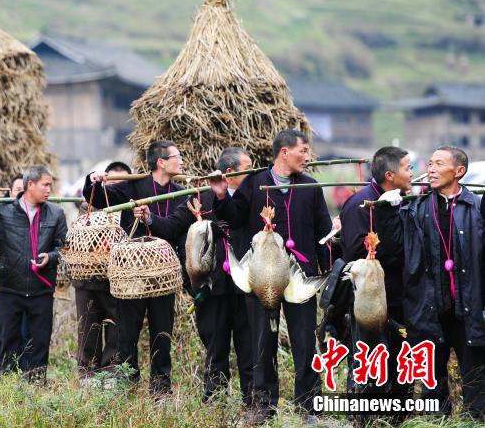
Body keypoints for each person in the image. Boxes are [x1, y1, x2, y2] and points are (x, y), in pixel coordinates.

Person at [215, 129, 338, 423]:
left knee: (305, 343)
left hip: (300, 278)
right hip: (262, 277)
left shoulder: (310, 186)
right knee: (262, 341)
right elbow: (233, 218)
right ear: (284, 152)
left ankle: (308, 408)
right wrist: (221, 197)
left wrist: (329, 272)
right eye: (303, 151)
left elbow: (323, 233)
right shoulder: (254, 184)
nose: (307, 157)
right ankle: (263, 406)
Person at [82, 140, 187, 394]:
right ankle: (128, 383)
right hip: (132, 274)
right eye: (177, 156)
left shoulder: (179, 192)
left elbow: (173, 228)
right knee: (127, 333)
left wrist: (151, 219)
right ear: (161, 162)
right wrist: (93, 180)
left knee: (162, 333)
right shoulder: (132, 187)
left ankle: (161, 387)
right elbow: (94, 198)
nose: (181, 161)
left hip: (162, 275)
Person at [393, 146, 485, 419]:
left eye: (438, 164)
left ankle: (473, 422)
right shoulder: (415, 209)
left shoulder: (476, 209)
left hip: (468, 306)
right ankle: (437, 423)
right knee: (432, 380)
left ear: (459, 171)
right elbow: (392, 245)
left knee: (476, 378)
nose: (430, 169)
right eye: (430, 164)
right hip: (429, 308)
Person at [167, 148, 254, 406]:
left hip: (244, 285)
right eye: (246, 169)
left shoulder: (251, 199)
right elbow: (172, 228)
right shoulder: (199, 200)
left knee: (248, 347)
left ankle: (253, 401)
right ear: (229, 173)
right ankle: (215, 401)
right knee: (215, 346)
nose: (251, 174)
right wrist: (149, 219)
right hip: (212, 287)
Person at [339, 146, 412, 421]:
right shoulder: (361, 204)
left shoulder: (401, 201)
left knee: (398, 358)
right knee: (369, 357)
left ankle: (397, 419)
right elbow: (354, 255)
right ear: (390, 175)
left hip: (400, 296)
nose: (412, 173)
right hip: (369, 300)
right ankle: (364, 419)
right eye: (408, 168)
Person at [0, 165, 67, 380]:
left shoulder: (56, 213)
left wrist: (51, 257)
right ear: (30, 185)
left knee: (40, 340)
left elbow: (64, 247)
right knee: (9, 339)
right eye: (45, 185)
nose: (48, 189)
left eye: (50, 185)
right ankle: (8, 384)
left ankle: (36, 382)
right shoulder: (3, 210)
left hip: (41, 287)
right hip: (10, 286)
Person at [73, 162, 128, 378]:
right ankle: (87, 376)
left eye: (121, 184)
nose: (114, 188)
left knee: (116, 332)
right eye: (110, 182)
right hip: (88, 279)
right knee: (88, 330)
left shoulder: (132, 208)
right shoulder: (89, 205)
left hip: (119, 281)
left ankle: (112, 375)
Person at [0, 175, 25, 366]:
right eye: (17, 189)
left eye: (25, 189)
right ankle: (3, 368)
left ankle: (23, 368)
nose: (21, 193)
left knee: (22, 330)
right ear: (10, 192)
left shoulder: (39, 213)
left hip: (24, 281)